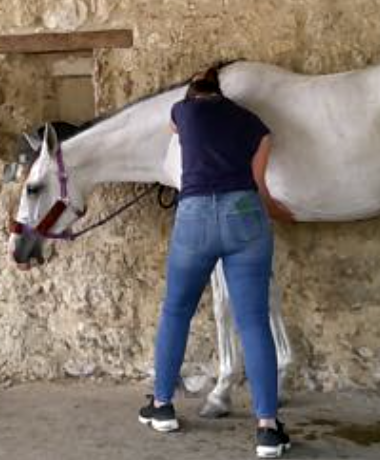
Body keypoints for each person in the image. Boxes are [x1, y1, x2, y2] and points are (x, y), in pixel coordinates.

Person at [138, 66, 293, 458]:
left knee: (176, 311)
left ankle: (162, 406)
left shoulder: (183, 111)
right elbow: (261, 169)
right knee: (253, 322)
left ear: (193, 92)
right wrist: (271, 206)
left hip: (196, 217)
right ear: (221, 93)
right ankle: (267, 428)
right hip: (245, 212)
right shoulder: (251, 121)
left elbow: (174, 130)